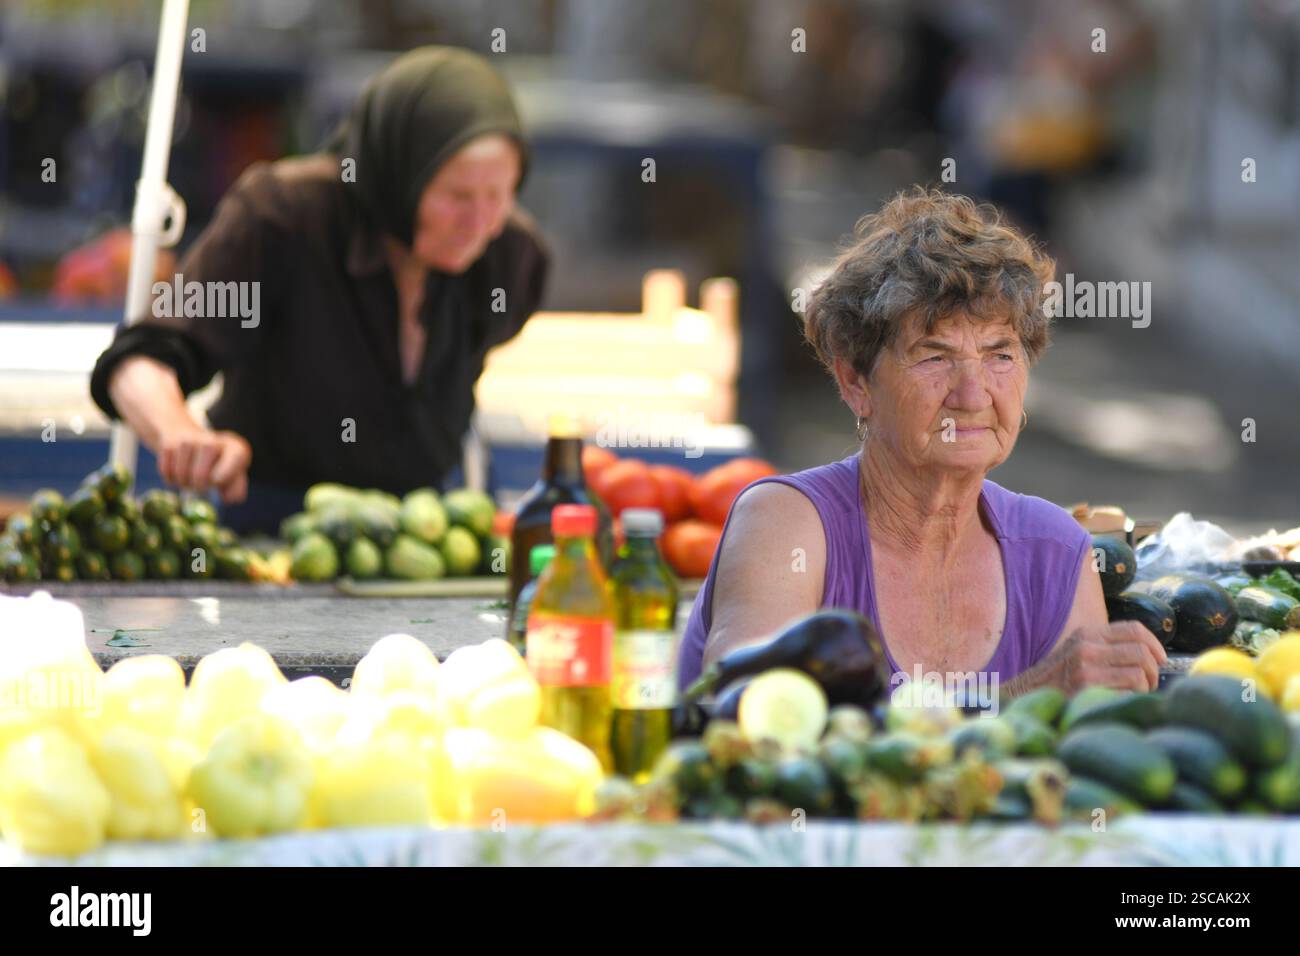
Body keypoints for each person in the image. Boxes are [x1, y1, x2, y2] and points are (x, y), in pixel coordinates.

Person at [677, 188, 1166, 697]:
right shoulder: (787, 525)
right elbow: (755, 723)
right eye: (934, 357)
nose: (973, 395)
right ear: (855, 383)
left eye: (1000, 355)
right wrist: (1021, 696)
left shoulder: (1057, 552)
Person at [89, 46, 548, 532]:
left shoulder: (511, 258)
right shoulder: (283, 218)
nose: (479, 223)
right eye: (457, 197)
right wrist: (179, 435)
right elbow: (139, 361)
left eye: (499, 195)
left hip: (425, 535)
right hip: (271, 530)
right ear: (400, 171)